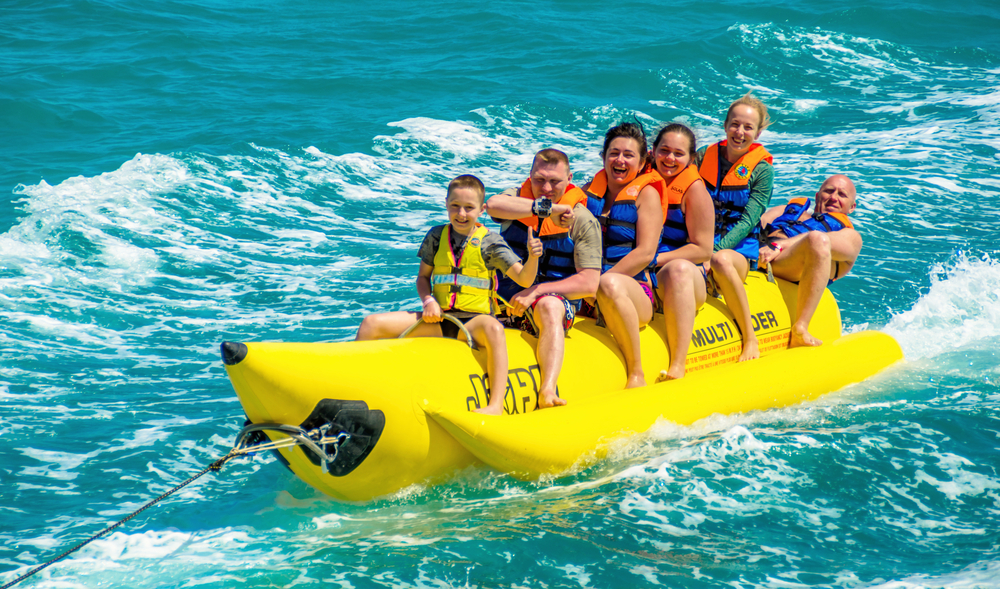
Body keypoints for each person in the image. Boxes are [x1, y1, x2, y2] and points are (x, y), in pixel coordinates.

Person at [355, 174, 543, 416]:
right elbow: (423, 278)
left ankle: (495, 404)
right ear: (446, 204)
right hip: (439, 319)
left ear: (482, 210)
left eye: (469, 208)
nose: (461, 214)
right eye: (455, 206)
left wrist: (533, 257)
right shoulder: (436, 236)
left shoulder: (490, 242)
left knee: (495, 330)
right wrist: (428, 300)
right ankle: (355, 389)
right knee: (371, 324)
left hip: (474, 323)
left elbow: (524, 279)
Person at [486, 149, 602, 408]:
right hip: (503, 300)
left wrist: (536, 291)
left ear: (569, 179)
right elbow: (492, 205)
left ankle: (547, 390)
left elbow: (589, 282)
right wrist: (547, 209)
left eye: (555, 181)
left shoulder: (582, 220)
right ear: (530, 176)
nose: (546, 188)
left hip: (553, 303)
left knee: (549, 306)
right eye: (539, 180)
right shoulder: (516, 200)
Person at [583, 122, 666, 389]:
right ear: (603, 157)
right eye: (614, 153)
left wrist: (596, 285)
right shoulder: (588, 192)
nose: (620, 160)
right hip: (588, 289)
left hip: (634, 291)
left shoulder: (647, 195)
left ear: (641, 163)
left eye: (628, 155)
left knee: (610, 283)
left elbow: (645, 252)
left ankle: (637, 372)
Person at [698, 93, 774, 362]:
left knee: (720, 260)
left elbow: (748, 221)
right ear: (725, 125)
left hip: (737, 252)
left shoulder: (762, 171)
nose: (740, 132)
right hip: (699, 244)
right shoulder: (703, 156)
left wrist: (712, 252)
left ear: (758, 132)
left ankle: (750, 338)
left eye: (748, 127)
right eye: (735, 124)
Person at [757, 174, 862, 348]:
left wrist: (780, 246)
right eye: (829, 191)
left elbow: (820, 240)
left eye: (842, 194)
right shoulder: (787, 210)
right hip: (755, 257)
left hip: (787, 267)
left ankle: (801, 327)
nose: (833, 197)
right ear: (817, 196)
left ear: (852, 207)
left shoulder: (851, 237)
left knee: (817, 240)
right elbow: (755, 224)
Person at [649, 123, 715, 381]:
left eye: (678, 154)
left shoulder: (694, 190)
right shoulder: (638, 179)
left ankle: (678, 364)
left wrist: (654, 260)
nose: (670, 158)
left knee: (678, 270)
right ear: (653, 151)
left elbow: (703, 249)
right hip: (644, 268)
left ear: (691, 158)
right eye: (664, 150)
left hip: (683, 274)